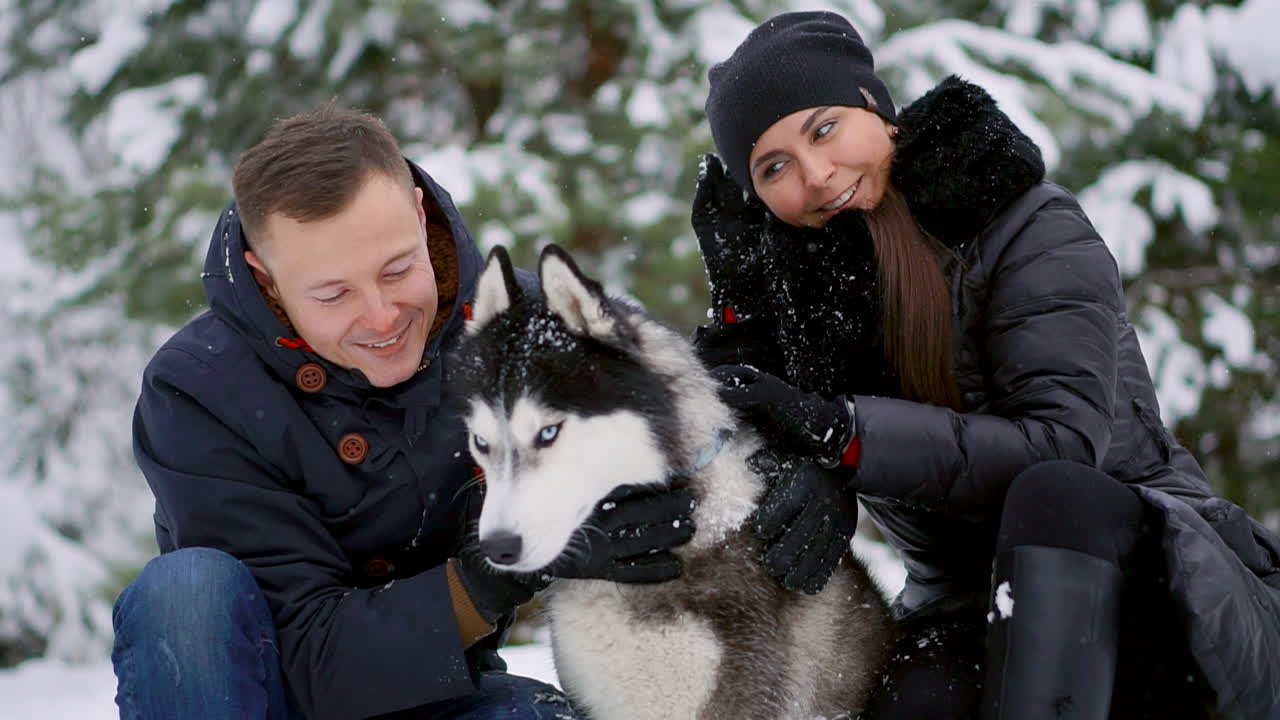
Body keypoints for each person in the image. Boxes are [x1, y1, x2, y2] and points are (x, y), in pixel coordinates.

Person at [691, 11, 1280, 720]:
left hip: (1149, 582)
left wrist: (843, 437)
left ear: (876, 108)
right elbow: (733, 431)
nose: (816, 176)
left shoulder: (1027, 224)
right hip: (966, 606)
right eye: (773, 168)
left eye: (823, 129)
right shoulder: (819, 293)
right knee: (913, 701)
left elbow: (1063, 444)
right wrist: (743, 302)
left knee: (1055, 490)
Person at [112, 104, 696, 720]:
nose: (383, 316)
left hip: (435, 693)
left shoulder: (516, 324)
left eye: (397, 270)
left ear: (420, 215)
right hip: (260, 698)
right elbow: (309, 660)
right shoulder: (200, 388)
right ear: (268, 279)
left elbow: (675, 420)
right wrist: (487, 581)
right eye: (334, 293)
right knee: (184, 594)